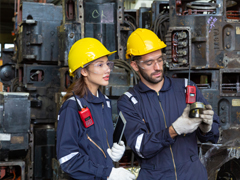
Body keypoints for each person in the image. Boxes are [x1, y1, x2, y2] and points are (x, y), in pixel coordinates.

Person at [117, 28, 220, 180]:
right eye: (149, 63)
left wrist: (207, 129)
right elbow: (140, 147)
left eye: (159, 60)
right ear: (135, 65)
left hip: (193, 175)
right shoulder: (129, 101)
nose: (158, 67)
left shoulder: (186, 87)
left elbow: (214, 137)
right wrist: (173, 130)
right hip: (155, 176)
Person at [57, 37, 136, 180]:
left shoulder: (104, 102)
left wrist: (113, 151)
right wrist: (108, 173)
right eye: (100, 65)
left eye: (107, 64)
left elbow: (98, 144)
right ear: (84, 71)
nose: (107, 69)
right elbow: (68, 160)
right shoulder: (72, 106)